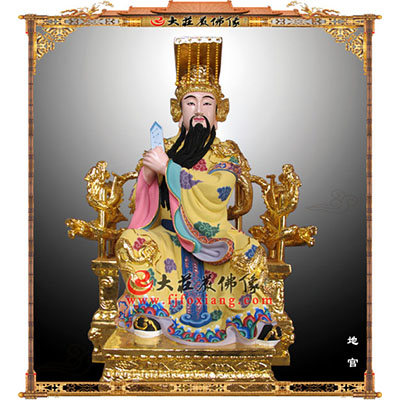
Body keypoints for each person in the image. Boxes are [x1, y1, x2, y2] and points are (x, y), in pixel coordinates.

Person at [115, 37, 278, 346]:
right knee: (130, 242)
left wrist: (168, 170)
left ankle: (250, 319)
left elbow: (219, 191)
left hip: (214, 234)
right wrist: (148, 176)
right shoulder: (163, 148)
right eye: (191, 102)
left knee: (251, 251)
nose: (199, 109)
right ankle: (149, 312)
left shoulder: (226, 152)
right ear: (179, 110)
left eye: (207, 103)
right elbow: (139, 205)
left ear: (218, 111)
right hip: (166, 236)